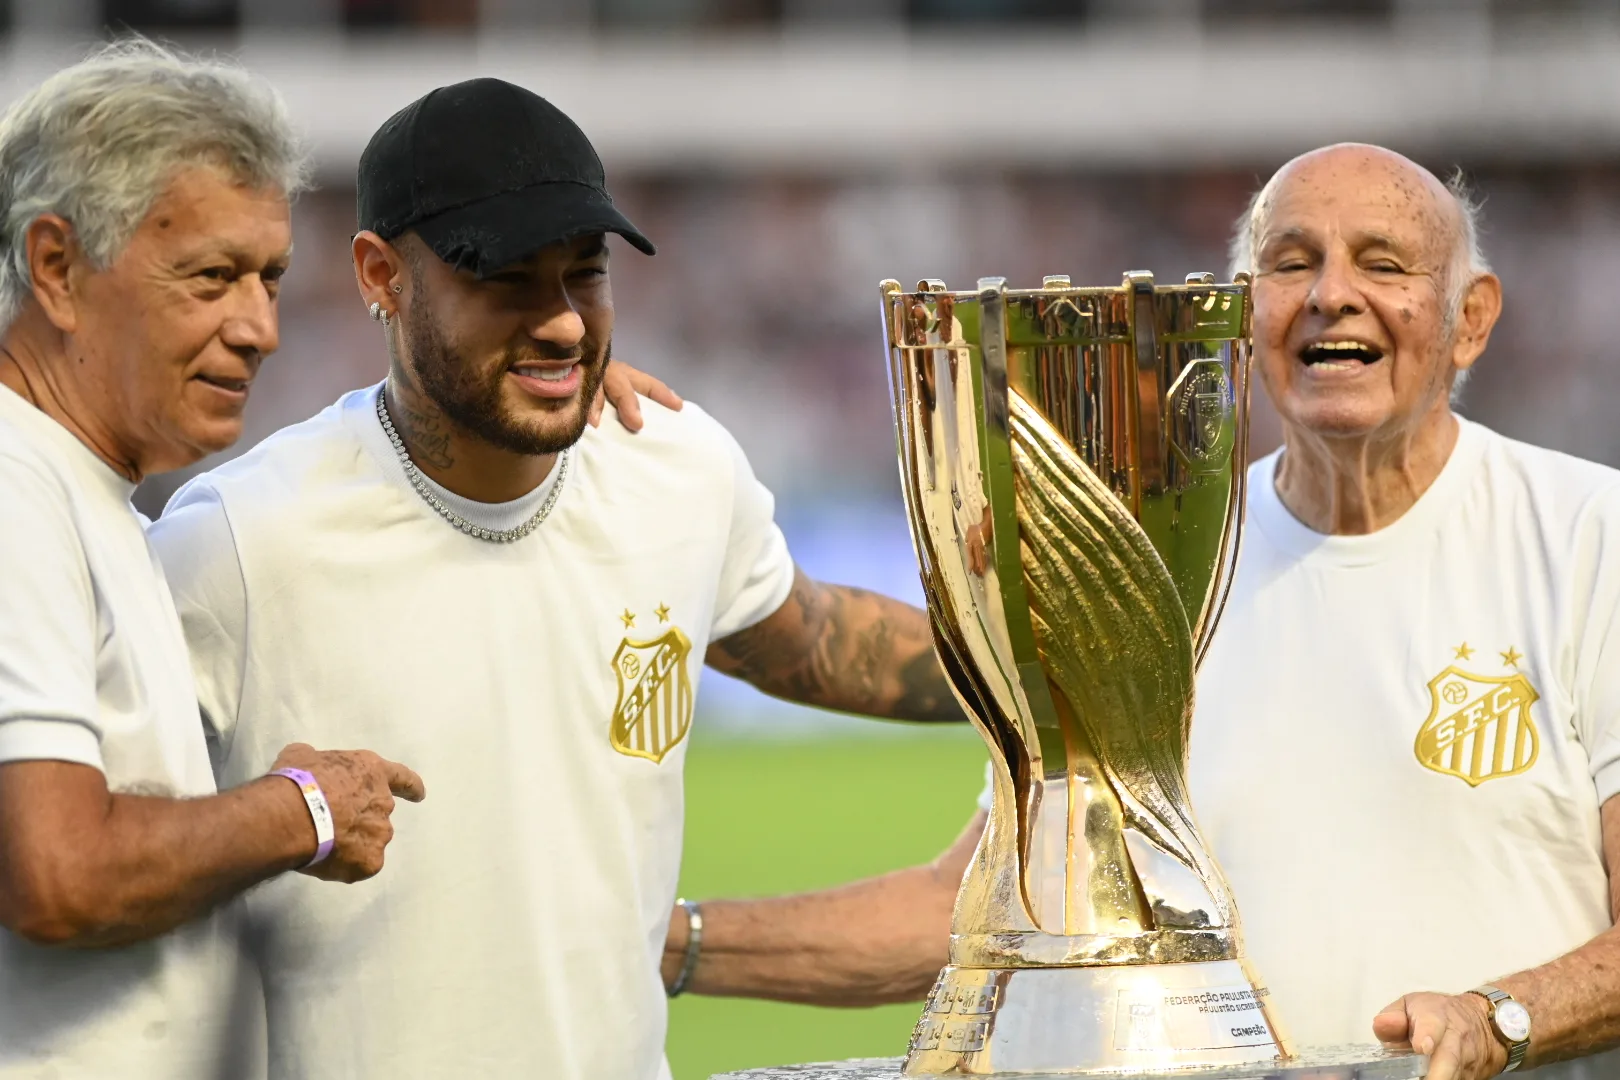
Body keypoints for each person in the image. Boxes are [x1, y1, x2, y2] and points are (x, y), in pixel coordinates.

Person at [670, 145, 1620, 1080]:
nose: (1331, 294)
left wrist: (1500, 1018)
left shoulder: (1589, 539)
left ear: (1471, 319)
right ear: (1244, 317)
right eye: (1291, 263)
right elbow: (983, 907)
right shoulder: (1160, 567)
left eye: (1383, 262)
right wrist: (669, 942)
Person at [146, 77, 964, 1080]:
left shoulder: (677, 470)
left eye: (585, 274)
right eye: (508, 281)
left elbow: (818, 640)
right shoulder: (236, 544)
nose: (567, 324)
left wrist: (1076, 669)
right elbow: (95, 871)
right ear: (380, 274)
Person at [0, 41, 432, 1079]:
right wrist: (304, 809)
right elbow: (57, 875)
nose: (262, 328)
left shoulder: (84, 493)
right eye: (211, 277)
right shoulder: (16, 490)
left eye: (272, 278)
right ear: (57, 267)